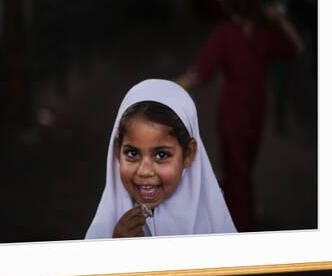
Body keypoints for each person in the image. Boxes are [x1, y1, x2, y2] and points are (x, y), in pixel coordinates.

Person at [177, 0, 305, 232]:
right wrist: (279, 19)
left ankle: (241, 225)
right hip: (257, 112)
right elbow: (297, 48)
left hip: (232, 113)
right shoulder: (265, 34)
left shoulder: (225, 34)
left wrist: (168, 86)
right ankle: (240, 212)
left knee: (237, 174)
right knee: (242, 169)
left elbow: (198, 74)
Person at [85, 79, 236, 239]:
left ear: (189, 153)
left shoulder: (215, 231)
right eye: (132, 153)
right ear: (117, 151)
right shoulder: (105, 231)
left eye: (161, 155)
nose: (144, 171)